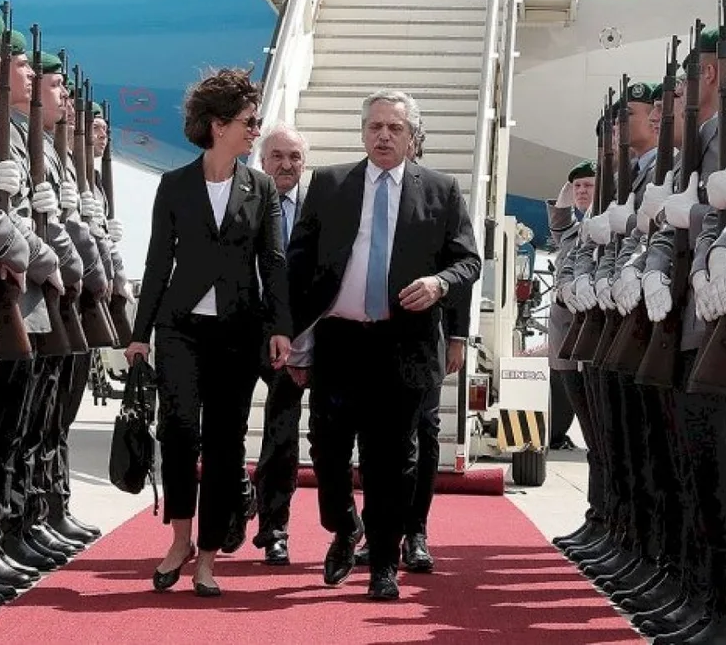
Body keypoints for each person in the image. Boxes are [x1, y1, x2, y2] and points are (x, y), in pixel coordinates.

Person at [285, 89, 479, 601]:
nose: (383, 136)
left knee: (391, 461)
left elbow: (469, 261)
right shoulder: (329, 184)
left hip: (402, 343)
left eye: (394, 128)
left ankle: (383, 567)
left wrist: (440, 283)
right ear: (362, 132)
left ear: (413, 137)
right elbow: (297, 264)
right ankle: (344, 527)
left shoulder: (441, 189)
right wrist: (289, 332)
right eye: (375, 127)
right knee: (326, 453)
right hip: (340, 340)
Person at [126, 68, 292, 597]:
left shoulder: (261, 187)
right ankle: (178, 539)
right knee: (177, 430)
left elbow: (275, 261)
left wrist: (279, 327)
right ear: (218, 125)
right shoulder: (174, 185)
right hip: (180, 328)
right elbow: (157, 262)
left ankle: (208, 558)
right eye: (249, 122)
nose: (255, 130)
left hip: (238, 332)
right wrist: (139, 332)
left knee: (225, 442)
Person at [250, 125, 309, 566]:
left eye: (294, 157)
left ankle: (275, 528)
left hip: (299, 339)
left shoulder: (319, 209)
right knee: (223, 431)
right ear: (261, 160)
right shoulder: (243, 201)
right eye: (277, 157)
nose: (285, 165)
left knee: (282, 435)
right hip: (243, 331)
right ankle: (233, 510)